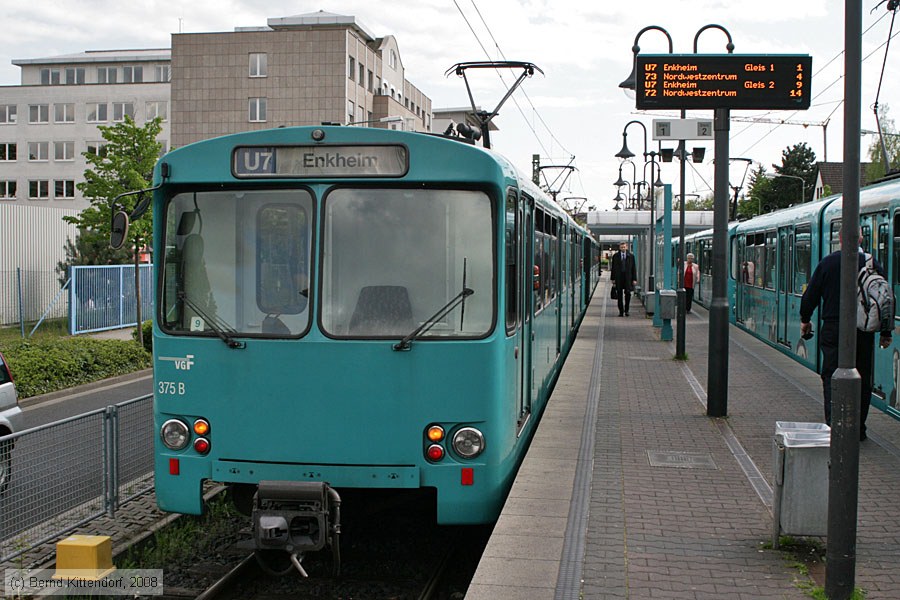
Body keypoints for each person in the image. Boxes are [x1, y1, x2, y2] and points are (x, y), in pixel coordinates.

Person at [799, 228, 892, 441]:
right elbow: (884, 298)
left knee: (832, 374)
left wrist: (805, 320)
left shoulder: (828, 263)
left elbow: (810, 296)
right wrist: (885, 331)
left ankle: (835, 425)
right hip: (863, 330)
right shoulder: (872, 264)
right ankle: (858, 428)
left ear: (839, 239)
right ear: (860, 239)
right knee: (862, 377)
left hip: (833, 328)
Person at [610, 241, 637, 316]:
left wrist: (634, 279)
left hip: (628, 278)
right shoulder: (615, 256)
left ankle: (627, 310)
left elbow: (634, 268)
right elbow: (613, 268)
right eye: (621, 247)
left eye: (624, 247)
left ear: (627, 247)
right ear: (619, 248)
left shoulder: (631, 256)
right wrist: (613, 279)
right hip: (619, 278)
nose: (623, 248)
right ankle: (621, 311)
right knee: (619, 295)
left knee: (628, 294)